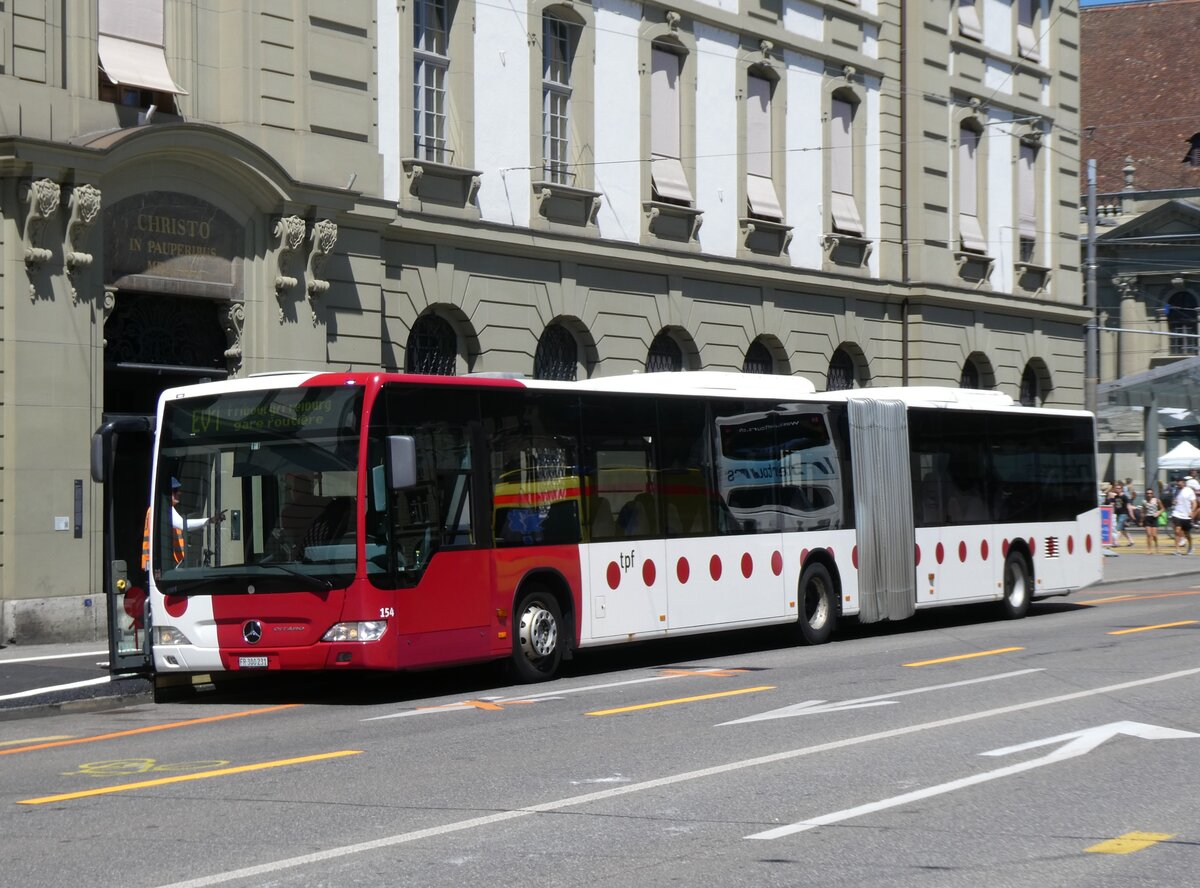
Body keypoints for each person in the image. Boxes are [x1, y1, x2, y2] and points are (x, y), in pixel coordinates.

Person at [141, 477, 225, 570]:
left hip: (160, 564)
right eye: (175, 490)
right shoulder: (161, 509)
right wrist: (210, 520)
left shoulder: (162, 508)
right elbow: (182, 524)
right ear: (167, 493)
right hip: (157, 566)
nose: (179, 493)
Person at [1170, 476, 1197, 556]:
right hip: (1177, 513)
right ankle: (1177, 550)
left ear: (1183, 482)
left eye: (1179, 481)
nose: (1178, 483)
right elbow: (1174, 501)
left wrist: (1192, 512)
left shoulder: (1189, 490)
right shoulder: (1176, 490)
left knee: (1187, 534)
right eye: (1177, 481)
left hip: (1186, 515)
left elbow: (1194, 502)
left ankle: (1191, 547)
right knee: (1177, 531)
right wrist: (1174, 502)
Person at [1110, 482, 1135, 547]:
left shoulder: (1125, 497)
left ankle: (1115, 542)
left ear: (1121, 489)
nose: (1117, 489)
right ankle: (1131, 541)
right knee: (1122, 529)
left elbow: (1128, 506)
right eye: (1116, 488)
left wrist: (1131, 515)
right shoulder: (1115, 496)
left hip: (1124, 514)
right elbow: (1112, 505)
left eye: (1119, 488)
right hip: (1118, 514)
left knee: (1118, 528)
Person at [1142, 487, 1162, 554]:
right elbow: (1144, 511)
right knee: (1148, 534)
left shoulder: (1156, 500)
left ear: (1153, 494)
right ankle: (1149, 549)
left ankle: (1156, 546)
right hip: (1148, 518)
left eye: (1150, 493)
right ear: (1146, 494)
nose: (1149, 495)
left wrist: (1158, 513)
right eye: (1148, 493)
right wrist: (1141, 520)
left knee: (1154, 535)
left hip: (1154, 518)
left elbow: (1162, 508)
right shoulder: (1144, 501)